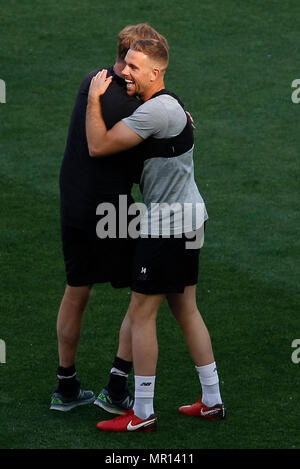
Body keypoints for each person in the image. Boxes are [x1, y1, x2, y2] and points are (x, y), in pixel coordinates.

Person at [85, 38, 226, 432]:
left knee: (141, 313)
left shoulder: (157, 112)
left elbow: (98, 145)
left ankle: (142, 412)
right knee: (186, 309)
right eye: (124, 64)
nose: (122, 72)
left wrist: (94, 99)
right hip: (191, 218)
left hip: (167, 226)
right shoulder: (170, 104)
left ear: (155, 73)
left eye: (133, 67)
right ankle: (212, 400)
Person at [50, 24, 168, 412]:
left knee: (77, 289)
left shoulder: (92, 82)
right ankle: (117, 387)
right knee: (144, 294)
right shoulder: (139, 106)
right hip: (112, 211)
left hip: (73, 203)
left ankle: (65, 386)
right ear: (134, 59)